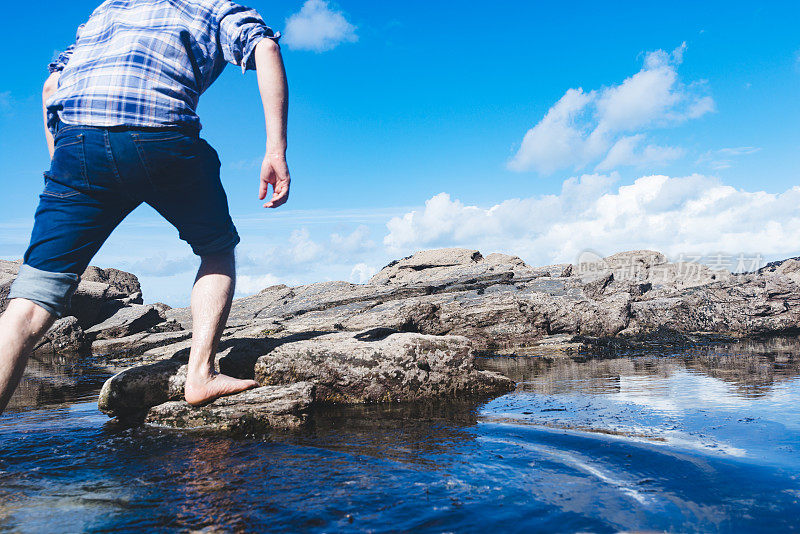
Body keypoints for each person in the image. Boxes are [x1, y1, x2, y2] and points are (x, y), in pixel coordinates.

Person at [0, 0, 290, 415]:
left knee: (28, 305)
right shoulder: (215, 5)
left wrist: (64, 165)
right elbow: (265, 48)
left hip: (76, 141)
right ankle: (200, 375)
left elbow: (52, 87)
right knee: (216, 249)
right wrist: (276, 149)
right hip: (163, 136)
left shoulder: (109, 9)